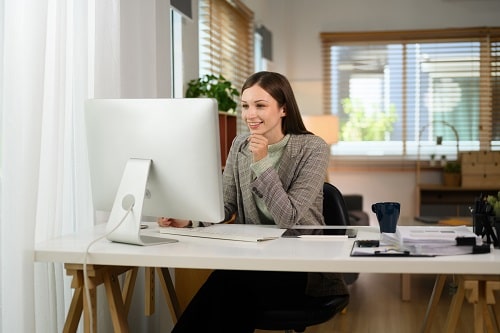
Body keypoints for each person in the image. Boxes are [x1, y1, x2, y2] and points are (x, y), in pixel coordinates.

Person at [158, 71, 348, 332]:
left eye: (260, 105)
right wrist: (188, 219)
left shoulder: (312, 149)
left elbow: (289, 218)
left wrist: (261, 162)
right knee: (230, 290)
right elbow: (226, 206)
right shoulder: (239, 145)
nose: (250, 114)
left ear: (283, 109)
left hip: (302, 269)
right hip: (254, 261)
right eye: (245, 106)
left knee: (228, 287)